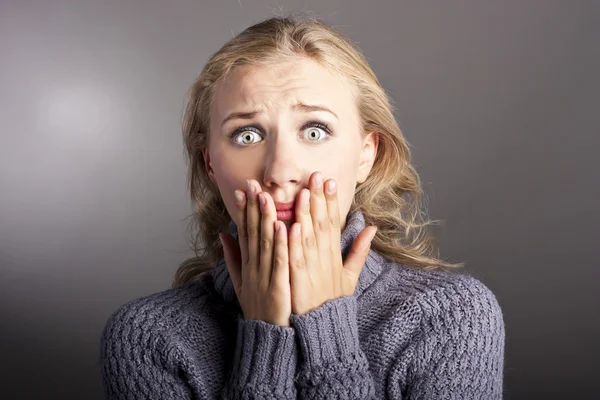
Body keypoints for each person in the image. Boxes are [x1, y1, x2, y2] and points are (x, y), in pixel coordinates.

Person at [100, 15, 505, 399]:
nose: (280, 171)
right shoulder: (148, 337)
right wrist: (263, 338)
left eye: (314, 131)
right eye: (246, 135)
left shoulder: (449, 317)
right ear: (209, 164)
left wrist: (327, 329)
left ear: (366, 155)